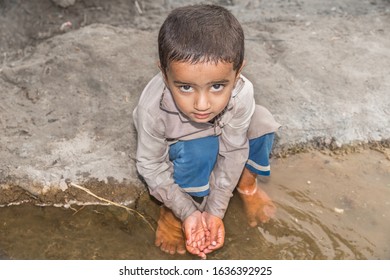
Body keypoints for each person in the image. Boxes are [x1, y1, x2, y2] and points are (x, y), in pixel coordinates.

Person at [133, 4, 280, 259]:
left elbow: (234, 149)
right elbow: (151, 165)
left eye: (217, 86)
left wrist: (215, 211)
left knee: (263, 123)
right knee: (200, 150)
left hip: (223, 134)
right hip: (181, 145)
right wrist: (186, 212)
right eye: (186, 87)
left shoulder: (242, 92)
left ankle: (247, 184)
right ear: (165, 76)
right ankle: (171, 211)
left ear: (237, 74)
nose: (202, 105)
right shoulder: (152, 109)